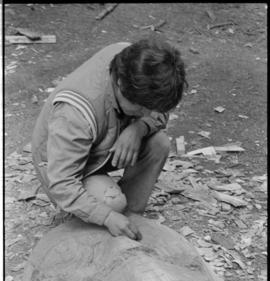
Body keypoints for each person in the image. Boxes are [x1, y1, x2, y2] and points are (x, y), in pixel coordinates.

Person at [31, 37, 187, 240]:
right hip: (62, 167)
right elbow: (62, 184)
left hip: (102, 142)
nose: (149, 113)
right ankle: (96, 222)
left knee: (158, 144)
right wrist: (106, 216)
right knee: (112, 202)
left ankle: (130, 218)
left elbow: (158, 112)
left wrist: (139, 128)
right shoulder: (74, 114)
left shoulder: (137, 64)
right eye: (141, 108)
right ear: (121, 84)